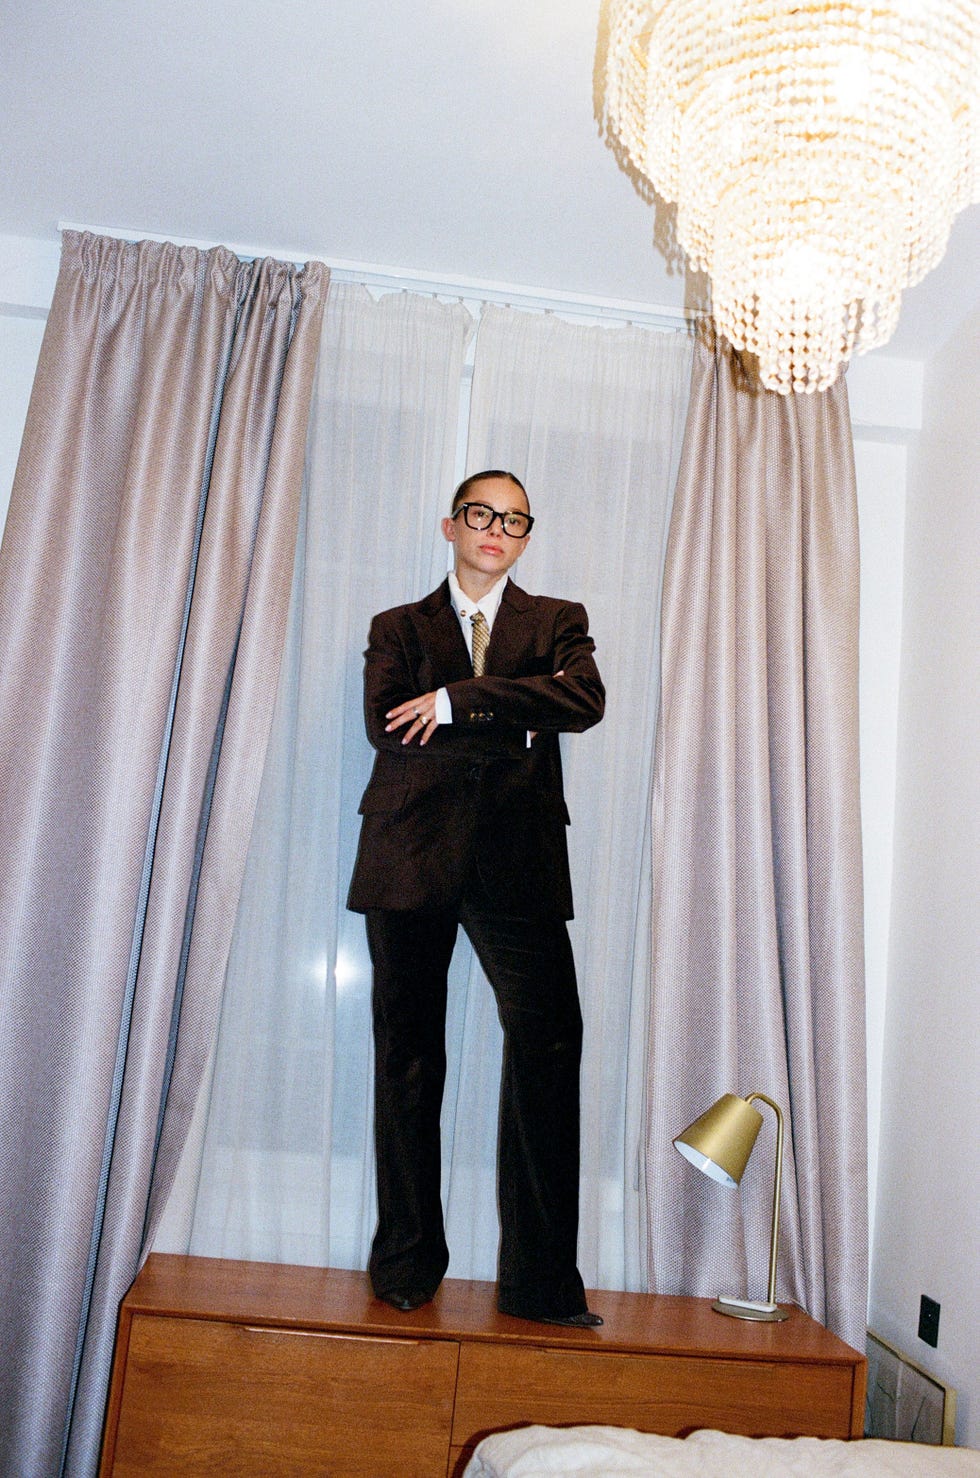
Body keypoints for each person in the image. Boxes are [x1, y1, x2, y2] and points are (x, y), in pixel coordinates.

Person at [347, 470, 605, 1326]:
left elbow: (584, 701)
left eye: (515, 520)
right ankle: (407, 1264)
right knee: (409, 1060)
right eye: (482, 514)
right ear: (451, 525)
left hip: (520, 863)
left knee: (549, 1046)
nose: (497, 529)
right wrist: (520, 720)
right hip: (409, 856)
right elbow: (390, 724)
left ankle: (540, 1284)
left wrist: (460, 700)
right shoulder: (398, 626)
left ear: (526, 538)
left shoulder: (556, 621)